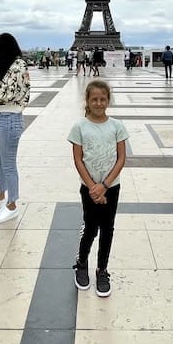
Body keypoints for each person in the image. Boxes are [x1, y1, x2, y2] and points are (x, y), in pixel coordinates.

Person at [70, 79, 128, 298]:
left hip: (111, 187)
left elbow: (122, 158)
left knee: (108, 229)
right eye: (94, 99)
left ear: (108, 101)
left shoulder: (117, 126)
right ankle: (82, 262)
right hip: (89, 188)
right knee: (91, 228)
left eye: (102, 99)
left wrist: (104, 186)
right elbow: (77, 159)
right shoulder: (79, 127)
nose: (98, 103)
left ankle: (102, 269)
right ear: (87, 100)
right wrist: (93, 187)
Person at [0, 33, 30, 224]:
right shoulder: (11, 66)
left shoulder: (18, 66)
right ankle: (1, 195)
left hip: (10, 118)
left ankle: (12, 205)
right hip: (0, 117)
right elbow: (3, 91)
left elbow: (8, 94)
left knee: (8, 164)